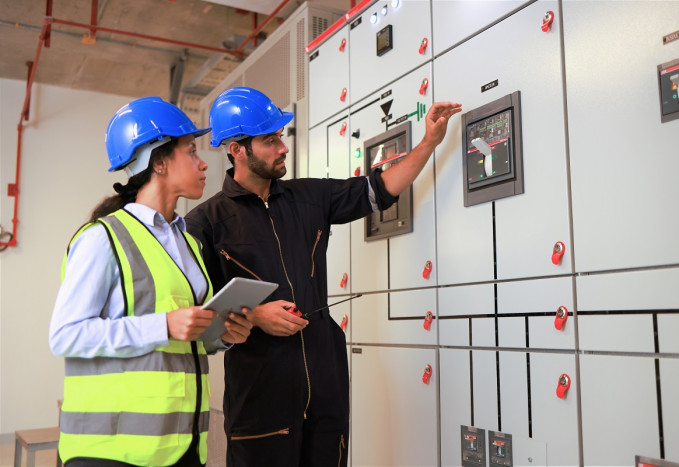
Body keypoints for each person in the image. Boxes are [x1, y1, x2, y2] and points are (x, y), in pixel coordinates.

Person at [185, 86, 461, 467]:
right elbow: (200, 317)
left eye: (281, 137)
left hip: (324, 378)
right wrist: (256, 316)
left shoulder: (309, 197)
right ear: (237, 149)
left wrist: (429, 142)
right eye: (270, 140)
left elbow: (380, 190)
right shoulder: (204, 224)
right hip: (260, 395)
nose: (283, 147)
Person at [49, 96, 253, 467]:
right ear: (159, 161)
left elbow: (182, 338)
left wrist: (221, 335)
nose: (204, 161)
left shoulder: (187, 241)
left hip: (180, 446)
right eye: (191, 151)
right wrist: (164, 325)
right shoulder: (101, 238)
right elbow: (66, 335)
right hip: (111, 452)